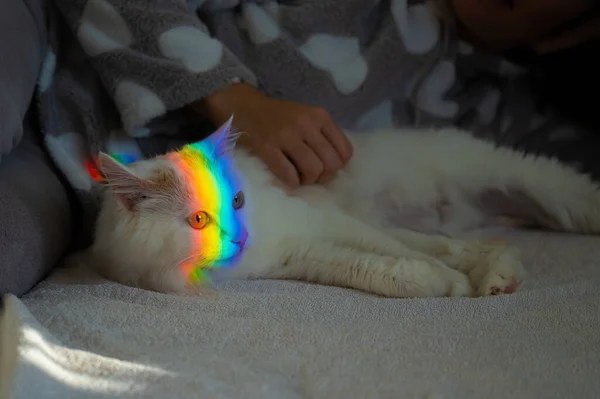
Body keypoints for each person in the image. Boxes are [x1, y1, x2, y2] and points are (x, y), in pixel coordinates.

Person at [0, 0, 598, 295]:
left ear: (569, 31)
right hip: (60, 74)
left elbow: (569, 178)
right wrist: (234, 99)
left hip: (72, 196)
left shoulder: (500, 101)